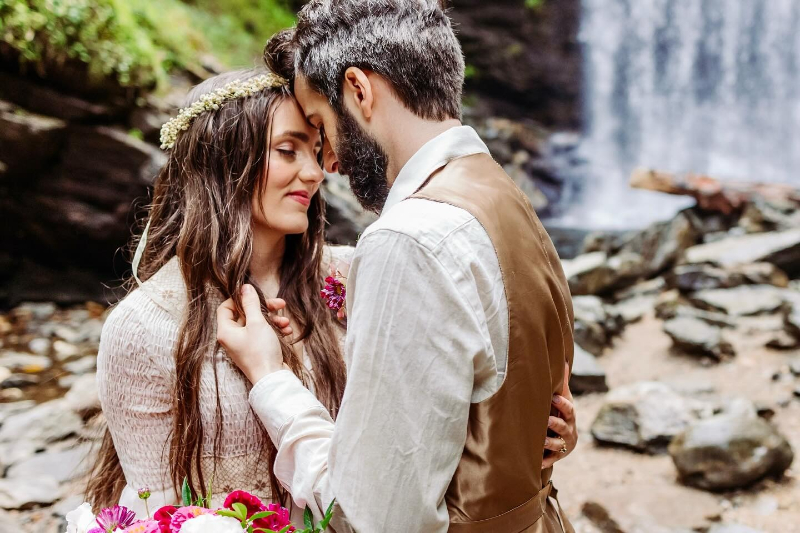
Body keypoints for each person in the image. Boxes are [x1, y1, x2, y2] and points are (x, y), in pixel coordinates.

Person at [216, 1, 577, 531]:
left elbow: (374, 516)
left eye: (321, 123)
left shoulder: (408, 240)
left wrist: (270, 378)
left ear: (359, 91)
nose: (329, 163)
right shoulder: (501, 193)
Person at [87, 68, 350, 517]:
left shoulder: (348, 277)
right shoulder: (142, 327)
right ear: (223, 162)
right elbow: (160, 515)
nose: (313, 173)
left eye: (317, 152)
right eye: (288, 151)